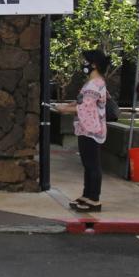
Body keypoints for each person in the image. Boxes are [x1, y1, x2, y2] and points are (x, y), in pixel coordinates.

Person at [55, 49, 110, 212]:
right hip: (86, 128)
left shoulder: (95, 83)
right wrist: (66, 106)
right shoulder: (93, 82)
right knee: (88, 164)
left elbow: (85, 107)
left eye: (85, 61)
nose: (83, 64)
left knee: (92, 164)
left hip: (91, 129)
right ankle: (87, 194)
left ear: (93, 64)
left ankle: (94, 198)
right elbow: (81, 101)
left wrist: (64, 109)